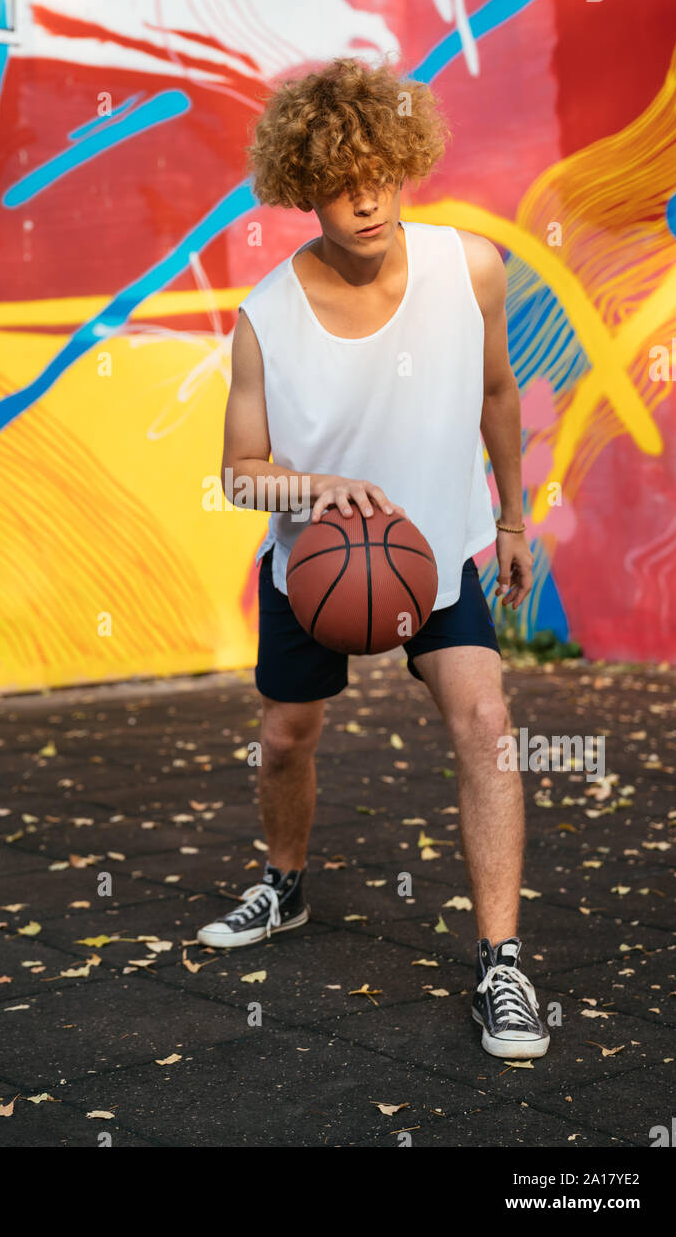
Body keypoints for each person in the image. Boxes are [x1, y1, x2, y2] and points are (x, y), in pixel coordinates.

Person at [198, 57, 549, 1060]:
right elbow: (240, 474)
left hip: (432, 554)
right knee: (285, 737)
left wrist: (514, 521)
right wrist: (311, 489)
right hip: (317, 567)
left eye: (382, 172)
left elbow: (497, 394)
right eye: (343, 179)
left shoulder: (470, 267)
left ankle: (501, 961)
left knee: (487, 722)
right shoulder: (266, 317)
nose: (367, 196)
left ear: (407, 163)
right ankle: (287, 882)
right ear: (303, 186)